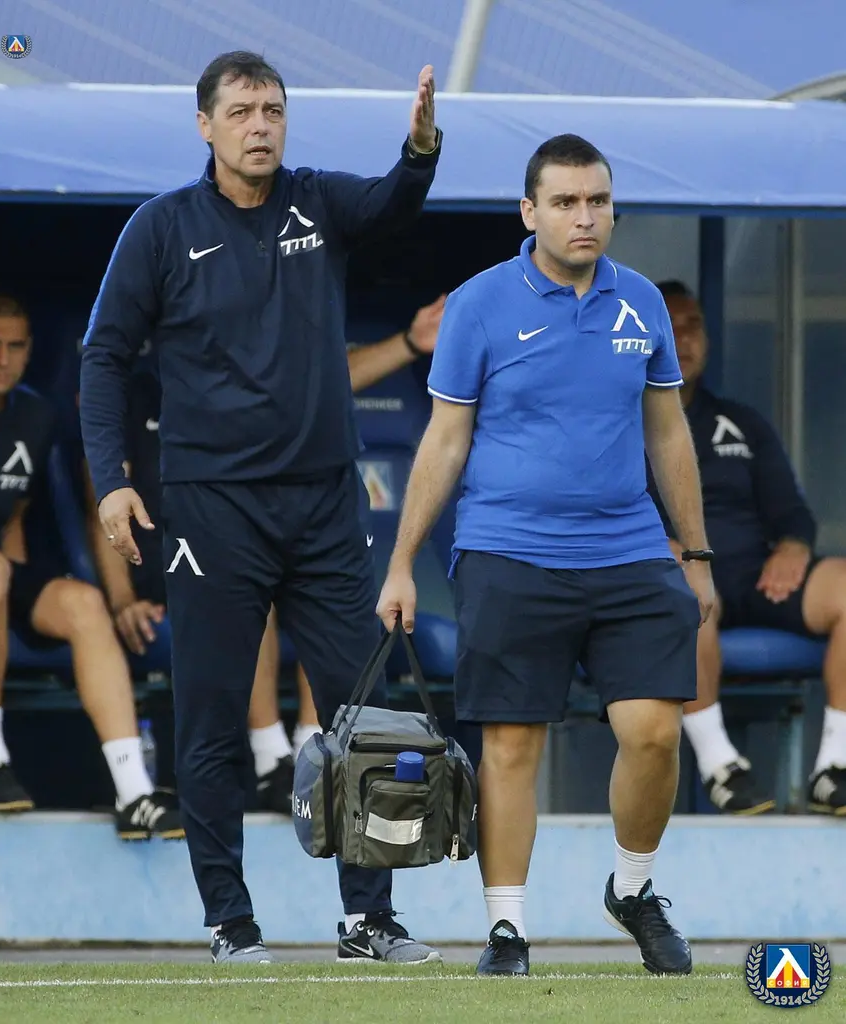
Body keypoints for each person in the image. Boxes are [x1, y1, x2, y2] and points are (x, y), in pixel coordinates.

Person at [79, 51, 444, 965]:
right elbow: (103, 357)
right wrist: (113, 479)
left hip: (324, 505)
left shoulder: (316, 201)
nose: (260, 126)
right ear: (205, 125)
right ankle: (229, 922)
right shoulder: (161, 227)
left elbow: (392, 206)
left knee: (363, 717)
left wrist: (419, 151)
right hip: (211, 509)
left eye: (273, 110)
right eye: (241, 111)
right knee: (211, 719)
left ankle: (368, 920)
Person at [376, 134, 712, 978]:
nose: (584, 215)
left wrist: (697, 553)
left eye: (597, 200)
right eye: (565, 202)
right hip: (508, 550)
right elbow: (444, 441)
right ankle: (507, 931)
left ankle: (633, 891)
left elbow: (667, 433)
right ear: (530, 212)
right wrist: (402, 562)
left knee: (654, 734)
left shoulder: (642, 302)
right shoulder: (480, 304)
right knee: (512, 745)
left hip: (630, 551)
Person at [88, 298, 447, 814]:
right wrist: (122, 598)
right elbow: (101, 503)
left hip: (253, 552)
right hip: (173, 566)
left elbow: (326, 382)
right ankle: (269, 758)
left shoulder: (247, 381)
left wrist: (410, 343)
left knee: (319, 576)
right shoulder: (136, 393)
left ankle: (310, 750)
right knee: (249, 581)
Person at [0, 292, 183, 840]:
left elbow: (12, 517)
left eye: (15, 346)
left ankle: (134, 792)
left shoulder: (35, 416)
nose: (3, 359)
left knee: (83, 604)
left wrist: (9, 595)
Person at [651, 280, 846, 816]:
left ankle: (835, 767)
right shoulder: (623, 420)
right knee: (681, 588)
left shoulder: (739, 421)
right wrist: (664, 547)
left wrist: (793, 546)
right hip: (678, 577)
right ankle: (721, 767)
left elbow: (792, 512)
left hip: (753, 576)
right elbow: (606, 508)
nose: (684, 339)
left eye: (693, 326)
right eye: (670, 326)